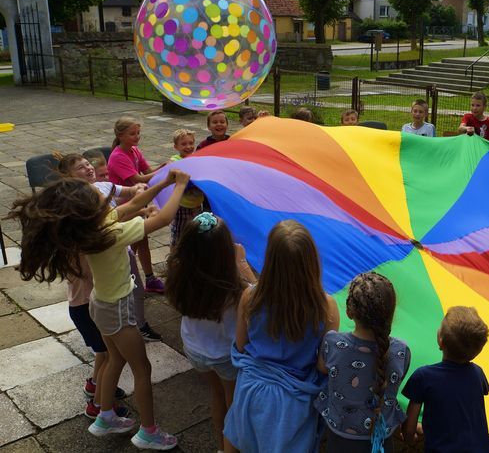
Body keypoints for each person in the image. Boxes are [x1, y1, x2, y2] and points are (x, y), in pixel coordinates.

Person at [9, 170, 191, 450]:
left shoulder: (93, 228)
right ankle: (149, 432)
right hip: (117, 309)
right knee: (142, 368)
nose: (100, 192)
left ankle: (105, 416)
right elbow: (165, 219)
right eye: (97, 195)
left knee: (114, 359)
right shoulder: (110, 233)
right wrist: (180, 186)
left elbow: (132, 205)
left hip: (101, 305)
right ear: (90, 210)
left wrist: (165, 183)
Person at [224, 220, 340, 453]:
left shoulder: (250, 297)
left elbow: (241, 345)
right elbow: (323, 365)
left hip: (251, 393)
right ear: (311, 261)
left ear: (270, 259)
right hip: (294, 404)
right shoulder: (326, 306)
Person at [165, 212, 257, 453]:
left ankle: (221, 446)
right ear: (225, 250)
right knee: (233, 402)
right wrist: (242, 264)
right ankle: (232, 448)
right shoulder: (235, 285)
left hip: (195, 350)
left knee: (216, 395)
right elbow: (259, 297)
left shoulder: (178, 274)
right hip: (225, 354)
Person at [62, 153, 161, 342]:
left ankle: (135, 326)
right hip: (92, 296)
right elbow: (161, 218)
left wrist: (139, 194)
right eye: (81, 167)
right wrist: (171, 186)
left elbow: (127, 202)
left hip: (117, 256)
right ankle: (132, 329)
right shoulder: (84, 219)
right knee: (111, 344)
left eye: (87, 164)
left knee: (132, 294)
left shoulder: (101, 188)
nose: (88, 168)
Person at [315, 272, 411, 452]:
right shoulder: (401, 351)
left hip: (340, 438)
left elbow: (321, 368)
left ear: (349, 312)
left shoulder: (332, 343)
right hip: (382, 440)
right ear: (390, 314)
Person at [402, 306, 489, 452]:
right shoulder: (478, 373)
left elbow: (408, 428)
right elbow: (463, 412)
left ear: (441, 341)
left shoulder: (423, 376)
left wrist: (409, 438)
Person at [107, 116, 166, 294]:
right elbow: (138, 179)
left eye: (138, 132)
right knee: (129, 245)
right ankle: (124, 279)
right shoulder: (117, 157)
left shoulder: (134, 150)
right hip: (126, 208)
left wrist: (164, 167)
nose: (137, 136)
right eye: (132, 133)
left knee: (142, 240)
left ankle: (149, 279)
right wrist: (165, 170)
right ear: (120, 135)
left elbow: (149, 172)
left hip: (138, 203)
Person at [168, 129, 204, 250]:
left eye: (191, 143)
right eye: (183, 144)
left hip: (197, 204)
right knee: (178, 236)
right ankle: (173, 258)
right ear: (176, 147)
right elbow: (172, 170)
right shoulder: (175, 160)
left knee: (195, 233)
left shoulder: (197, 158)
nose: (188, 147)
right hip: (182, 206)